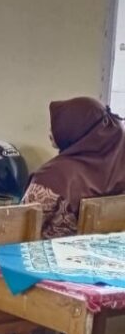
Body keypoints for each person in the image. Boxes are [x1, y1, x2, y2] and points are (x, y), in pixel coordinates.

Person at [21, 97, 125, 238]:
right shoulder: (118, 168)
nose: (51, 130)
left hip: (50, 257)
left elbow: (19, 226)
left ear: (75, 127)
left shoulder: (52, 176)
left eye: (58, 124)